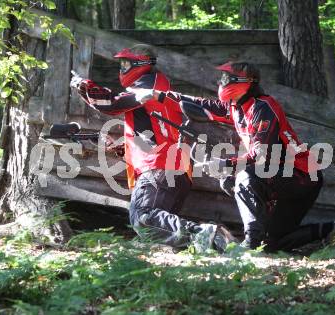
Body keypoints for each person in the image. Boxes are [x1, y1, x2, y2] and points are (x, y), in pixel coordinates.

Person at [149, 61, 335, 255]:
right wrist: (156, 95)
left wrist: (225, 164)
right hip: (282, 177)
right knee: (272, 244)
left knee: (243, 176)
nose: (221, 82)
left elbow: (261, 155)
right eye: (222, 77)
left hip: (302, 177)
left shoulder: (263, 108)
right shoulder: (236, 108)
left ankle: (250, 243)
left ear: (245, 83)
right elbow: (196, 103)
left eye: (226, 78)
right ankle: (332, 229)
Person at [69, 44, 235, 252]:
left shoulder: (148, 86)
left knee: (143, 217)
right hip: (173, 169)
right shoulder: (157, 87)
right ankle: (213, 246)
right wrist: (120, 147)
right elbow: (153, 133)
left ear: (141, 64)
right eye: (121, 63)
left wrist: (83, 86)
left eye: (126, 63)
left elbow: (110, 104)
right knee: (156, 231)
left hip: (160, 168)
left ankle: (210, 236)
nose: (122, 68)